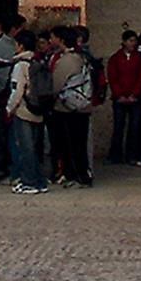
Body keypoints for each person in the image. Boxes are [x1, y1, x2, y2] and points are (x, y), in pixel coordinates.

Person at [3, 33, 49, 193]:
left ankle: (29, 181)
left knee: (25, 147)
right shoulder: (39, 61)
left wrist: (9, 109)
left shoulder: (20, 65)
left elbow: (17, 91)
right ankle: (39, 180)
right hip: (38, 108)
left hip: (24, 109)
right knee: (35, 147)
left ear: (21, 45)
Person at [50, 30, 97, 189]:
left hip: (69, 108)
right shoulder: (82, 57)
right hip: (82, 106)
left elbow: (56, 85)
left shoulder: (67, 60)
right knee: (79, 143)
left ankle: (78, 176)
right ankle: (80, 175)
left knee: (71, 145)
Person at [102, 28, 141, 169]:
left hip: (135, 98)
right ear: (124, 42)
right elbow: (112, 77)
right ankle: (115, 155)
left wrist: (134, 94)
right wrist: (119, 94)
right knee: (118, 127)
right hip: (119, 98)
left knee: (134, 128)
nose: (133, 44)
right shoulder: (115, 59)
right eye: (130, 41)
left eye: (134, 41)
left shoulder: (140, 59)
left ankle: (132, 155)